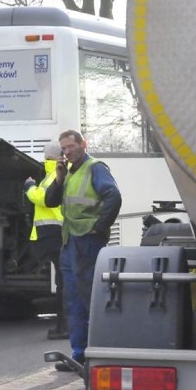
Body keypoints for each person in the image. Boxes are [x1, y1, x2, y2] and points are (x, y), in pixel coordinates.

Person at [45, 129, 122, 372]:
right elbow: (50, 201)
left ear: (83, 144)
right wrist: (58, 177)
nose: (67, 152)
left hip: (87, 242)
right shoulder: (68, 172)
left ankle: (99, 354)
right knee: (72, 299)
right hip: (70, 241)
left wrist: (98, 228)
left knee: (89, 297)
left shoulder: (94, 168)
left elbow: (113, 195)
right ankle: (79, 355)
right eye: (64, 149)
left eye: (71, 147)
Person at [24, 142, 68, 340]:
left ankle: (64, 326)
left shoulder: (52, 176)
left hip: (53, 235)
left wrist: (29, 187)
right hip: (56, 234)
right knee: (64, 281)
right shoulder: (53, 174)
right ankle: (63, 325)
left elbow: (44, 198)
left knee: (64, 283)